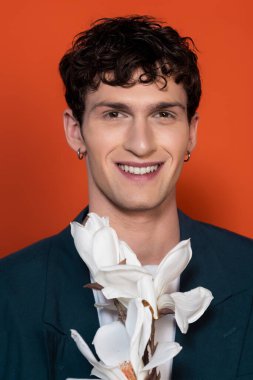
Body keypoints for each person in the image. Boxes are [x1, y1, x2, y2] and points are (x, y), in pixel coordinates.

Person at [0, 15, 253, 380]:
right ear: (76, 132)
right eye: (114, 114)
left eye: (163, 114)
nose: (141, 143)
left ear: (191, 133)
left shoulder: (247, 273)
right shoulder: (9, 295)